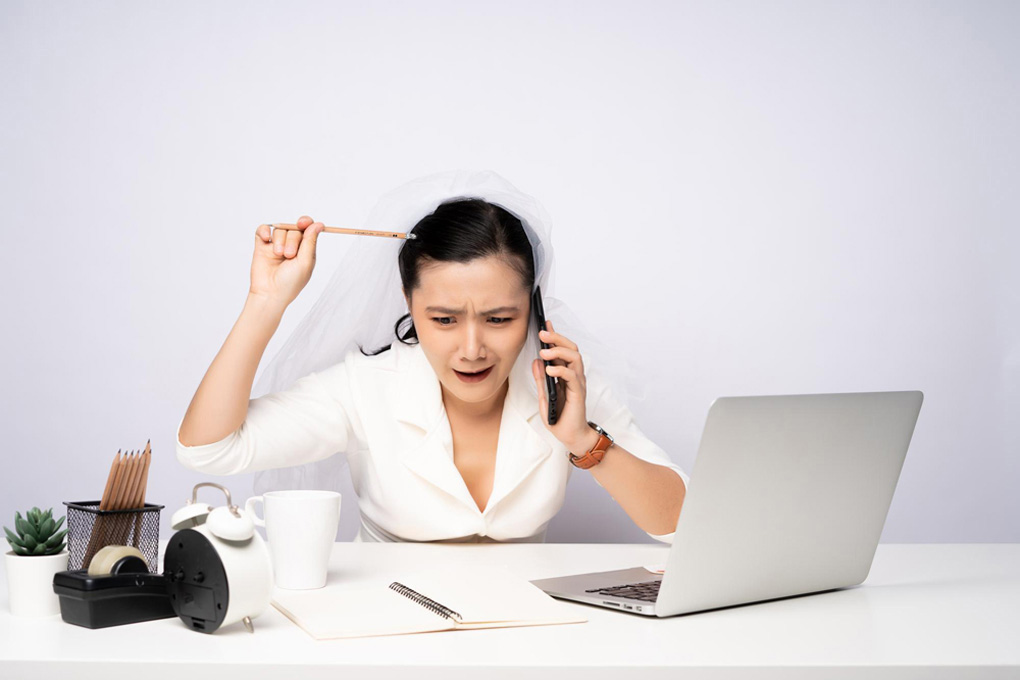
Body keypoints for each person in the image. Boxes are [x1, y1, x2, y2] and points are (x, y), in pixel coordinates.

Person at [176, 170, 688, 543]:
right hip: (390, 639)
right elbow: (209, 450)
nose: (471, 350)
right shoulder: (366, 385)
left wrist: (582, 439)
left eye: (499, 319)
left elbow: (684, 525)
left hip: (527, 641)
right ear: (409, 303)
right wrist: (266, 302)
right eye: (443, 320)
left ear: (533, 306)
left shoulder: (566, 385)